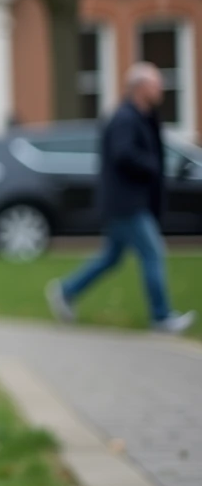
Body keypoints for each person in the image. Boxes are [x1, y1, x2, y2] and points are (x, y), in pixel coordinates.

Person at [45, 62, 195, 334]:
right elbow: (123, 154)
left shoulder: (143, 116)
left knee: (111, 257)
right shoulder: (125, 119)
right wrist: (152, 165)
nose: (160, 89)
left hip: (132, 201)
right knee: (152, 252)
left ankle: (67, 290)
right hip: (127, 203)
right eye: (155, 84)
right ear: (140, 88)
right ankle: (161, 316)